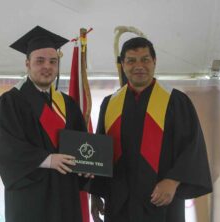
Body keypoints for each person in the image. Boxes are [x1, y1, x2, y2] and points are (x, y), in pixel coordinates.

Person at [89, 37, 212, 222]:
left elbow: (192, 147)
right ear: (123, 64)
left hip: (161, 202)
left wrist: (173, 181)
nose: (139, 65)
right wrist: (96, 193)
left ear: (154, 62)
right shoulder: (110, 104)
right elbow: (101, 153)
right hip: (119, 203)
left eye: (145, 59)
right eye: (131, 60)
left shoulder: (176, 101)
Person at [0, 26, 89, 222]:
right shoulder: (11, 102)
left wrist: (88, 166)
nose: (47, 66)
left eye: (53, 61)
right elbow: (6, 148)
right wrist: (47, 159)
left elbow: (82, 146)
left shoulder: (68, 104)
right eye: (40, 61)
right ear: (27, 64)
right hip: (31, 199)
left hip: (65, 197)